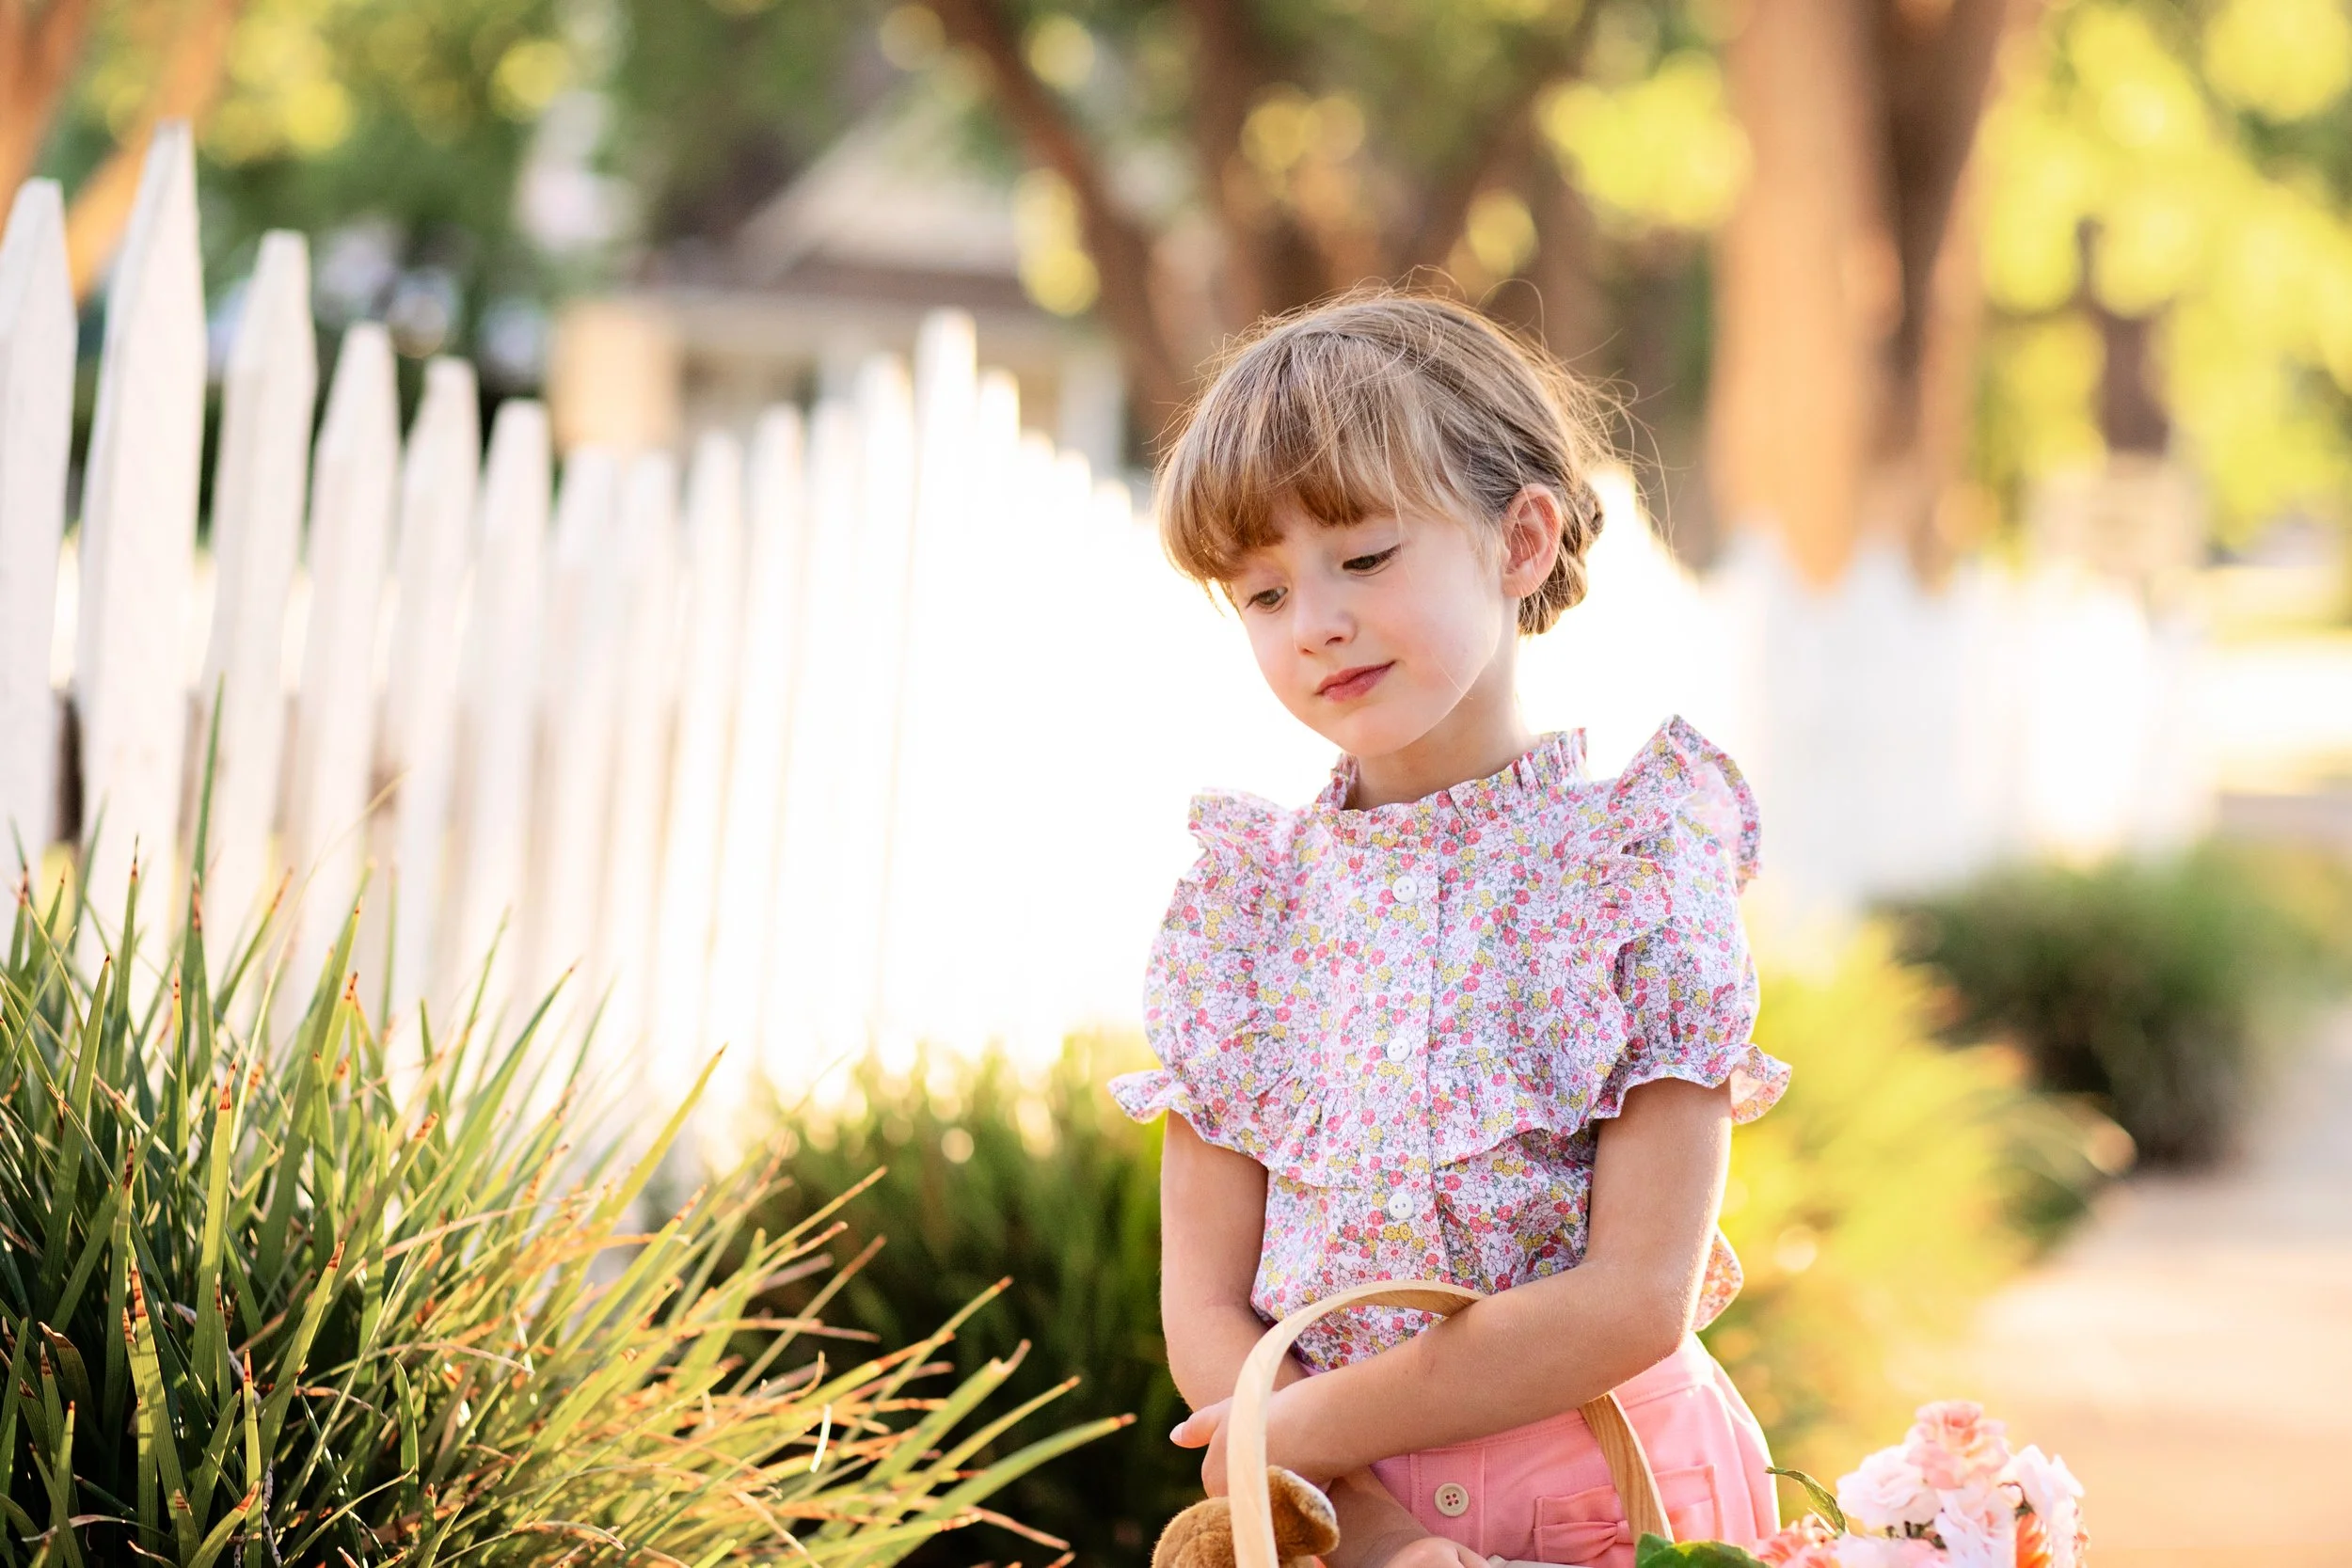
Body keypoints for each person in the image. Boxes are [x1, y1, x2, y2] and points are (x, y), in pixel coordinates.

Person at [1109, 291, 1789, 1568]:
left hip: (1612, 1489)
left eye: (1364, 558)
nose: (1315, 621)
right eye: (1263, 592)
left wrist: (1297, 1428)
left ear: (1521, 540)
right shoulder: (1248, 909)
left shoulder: (1633, 865)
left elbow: (1638, 1294)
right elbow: (1205, 1301)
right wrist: (1363, 1519)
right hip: (1337, 1515)